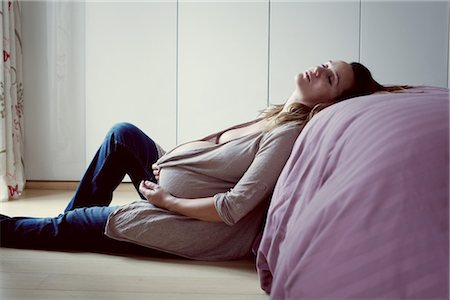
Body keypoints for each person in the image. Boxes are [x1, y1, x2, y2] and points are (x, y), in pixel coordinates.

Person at [0, 60, 409, 260]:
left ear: (329, 102)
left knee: (67, 226)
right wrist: (172, 166)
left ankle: (62, 227)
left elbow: (234, 208)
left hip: (185, 223)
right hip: (167, 190)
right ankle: (74, 225)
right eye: (328, 63)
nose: (321, 68)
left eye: (330, 78)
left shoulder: (286, 136)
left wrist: (167, 201)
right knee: (123, 134)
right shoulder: (275, 116)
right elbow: (215, 161)